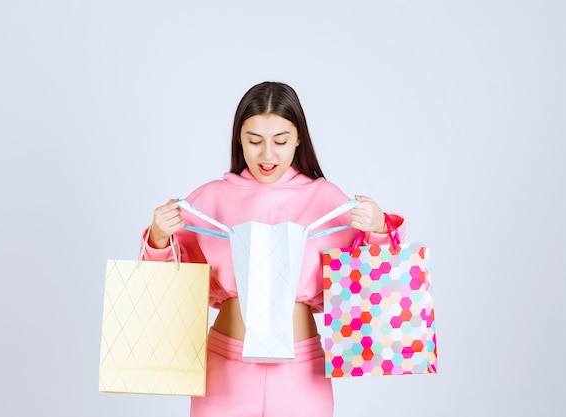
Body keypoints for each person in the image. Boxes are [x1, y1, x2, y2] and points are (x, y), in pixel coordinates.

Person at [142, 81, 406, 417]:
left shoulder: (328, 201)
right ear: (239, 138)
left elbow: (374, 289)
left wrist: (381, 229)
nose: (267, 155)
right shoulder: (208, 200)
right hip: (225, 368)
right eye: (255, 141)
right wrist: (159, 237)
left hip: (302, 372)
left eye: (280, 141)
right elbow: (168, 291)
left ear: (299, 139)